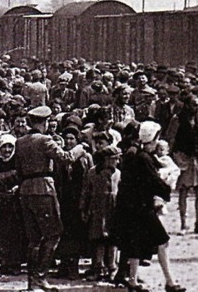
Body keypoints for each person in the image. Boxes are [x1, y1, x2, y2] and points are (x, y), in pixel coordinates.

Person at [14, 105, 87, 292]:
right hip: (43, 189)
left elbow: (19, 170)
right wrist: (80, 148)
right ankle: (40, 277)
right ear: (45, 122)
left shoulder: (20, 142)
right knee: (53, 233)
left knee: (33, 238)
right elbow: (67, 157)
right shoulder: (45, 140)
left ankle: (32, 282)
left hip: (25, 190)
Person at [113, 121, 186, 292]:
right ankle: (170, 282)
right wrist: (167, 189)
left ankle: (132, 282)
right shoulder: (144, 158)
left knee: (135, 243)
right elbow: (155, 182)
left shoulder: (138, 155)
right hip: (142, 208)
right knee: (163, 241)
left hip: (133, 207)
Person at [165, 95, 198, 235]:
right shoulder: (177, 119)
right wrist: (171, 159)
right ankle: (183, 224)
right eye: (193, 105)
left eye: (197, 105)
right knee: (183, 191)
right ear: (186, 105)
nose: (196, 108)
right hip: (183, 158)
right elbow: (170, 138)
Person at [55, 124, 93, 280]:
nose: (69, 141)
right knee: (64, 233)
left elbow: (89, 179)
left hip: (79, 200)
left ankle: (74, 267)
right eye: (66, 138)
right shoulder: (61, 157)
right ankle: (64, 266)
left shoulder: (85, 157)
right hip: (65, 200)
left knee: (77, 234)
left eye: (72, 138)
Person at [81, 145, 121, 282]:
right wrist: (83, 209)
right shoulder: (93, 172)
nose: (117, 161)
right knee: (97, 239)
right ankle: (97, 268)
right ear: (106, 159)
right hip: (97, 209)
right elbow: (85, 192)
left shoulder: (118, 173)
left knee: (112, 240)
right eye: (114, 159)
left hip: (113, 209)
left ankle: (112, 268)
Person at [0, 133, 26, 275]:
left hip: (16, 200)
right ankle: (3, 262)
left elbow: (23, 176)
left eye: (10, 147)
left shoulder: (18, 160)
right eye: (4, 147)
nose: (7, 150)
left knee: (16, 232)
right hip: (1, 201)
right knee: (2, 232)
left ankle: (15, 263)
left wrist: (17, 187)